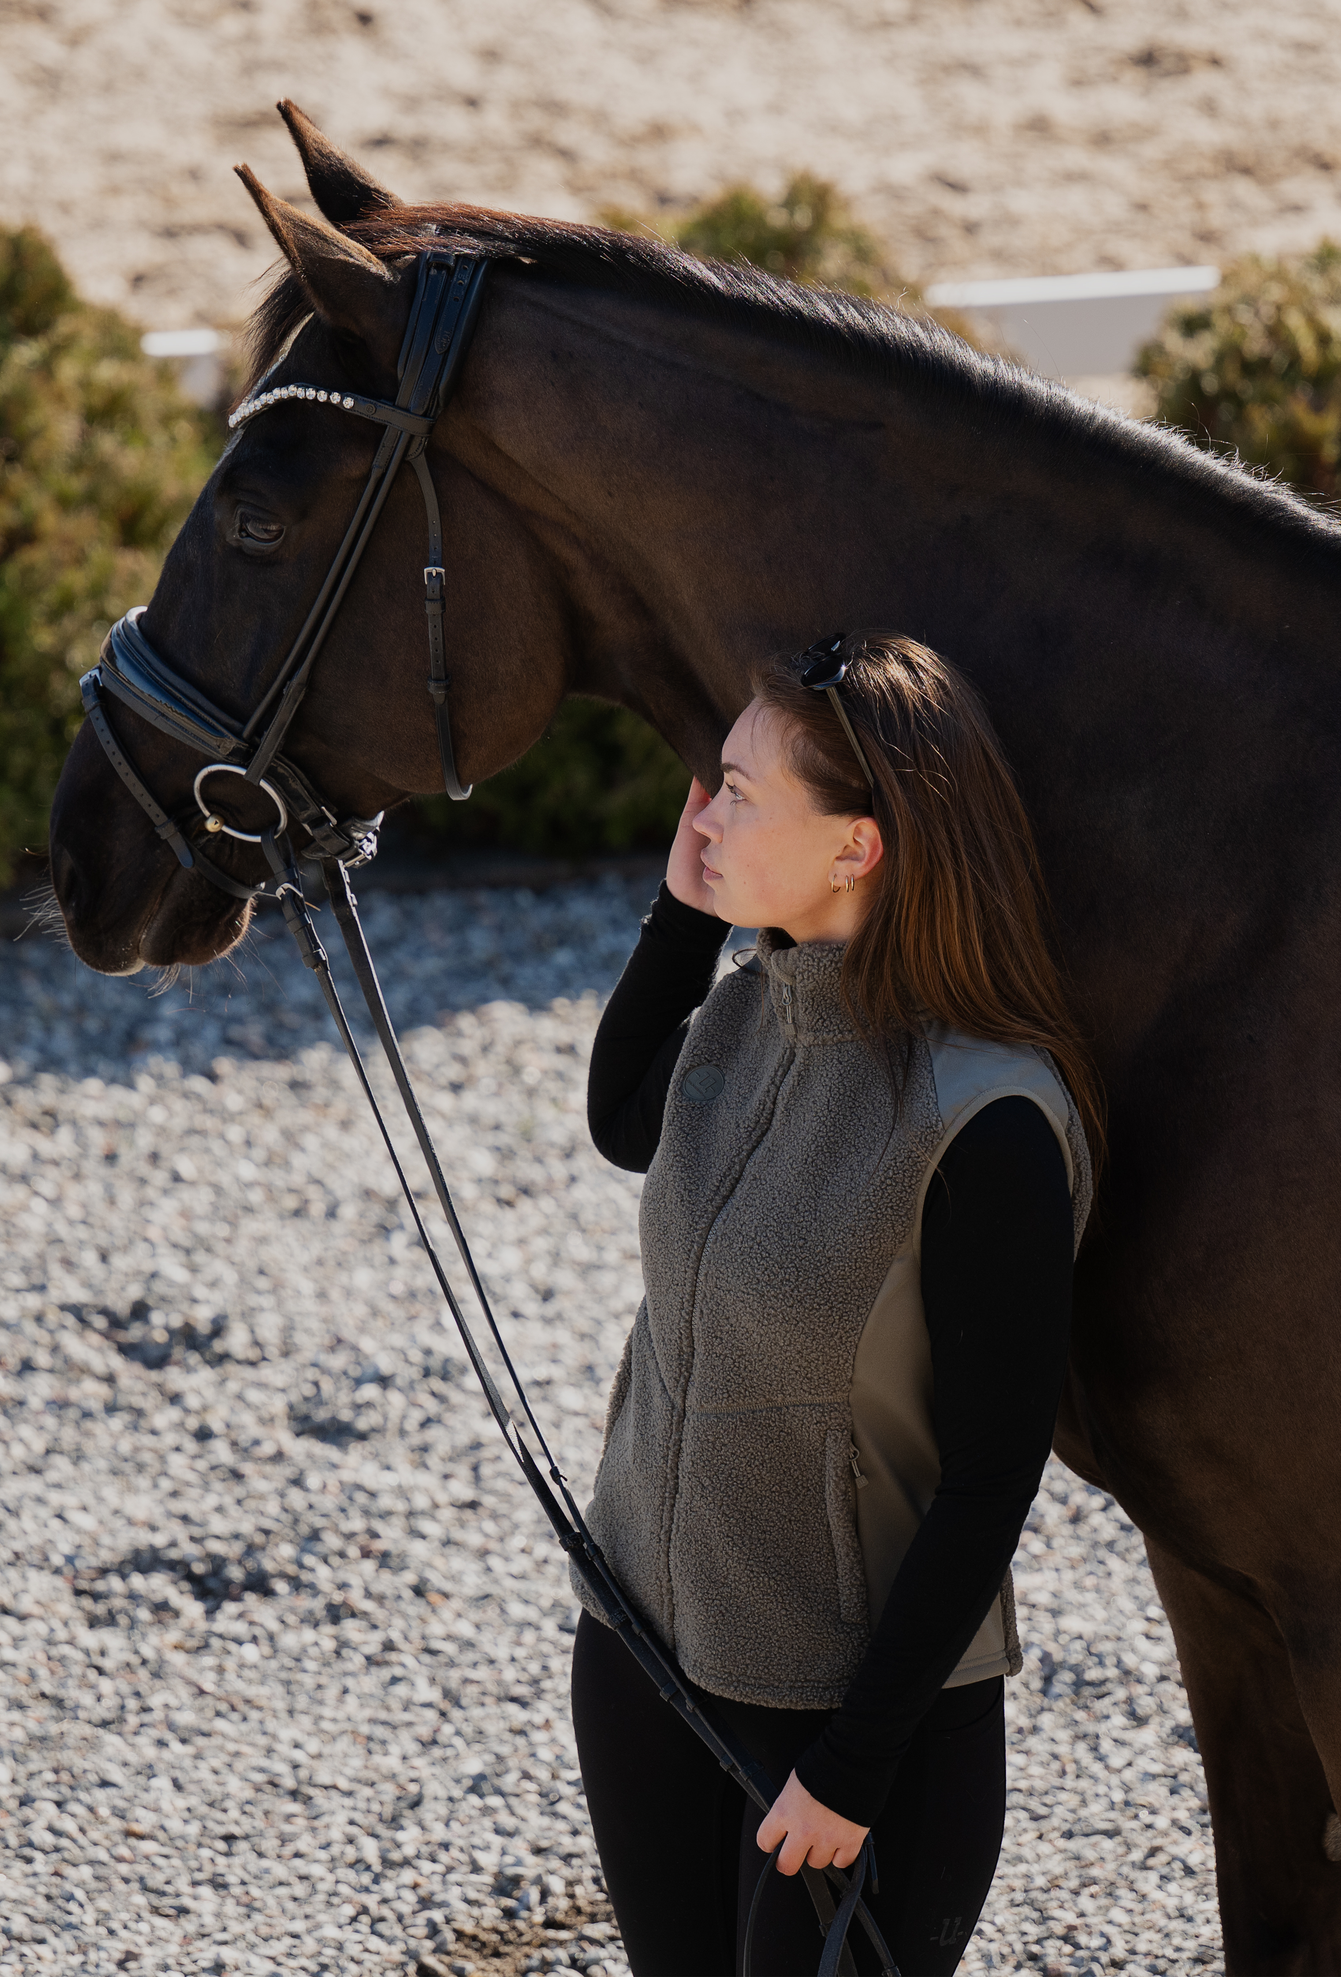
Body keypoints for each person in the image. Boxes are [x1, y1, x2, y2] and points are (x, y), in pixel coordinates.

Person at [570, 632, 1099, 1976]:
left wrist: (854, 1771)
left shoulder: (985, 1121)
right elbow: (627, 1115)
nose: (706, 809)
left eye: (741, 792)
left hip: (847, 1733)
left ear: (857, 846)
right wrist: (691, 907)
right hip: (645, 1651)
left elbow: (992, 1478)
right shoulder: (753, 1019)